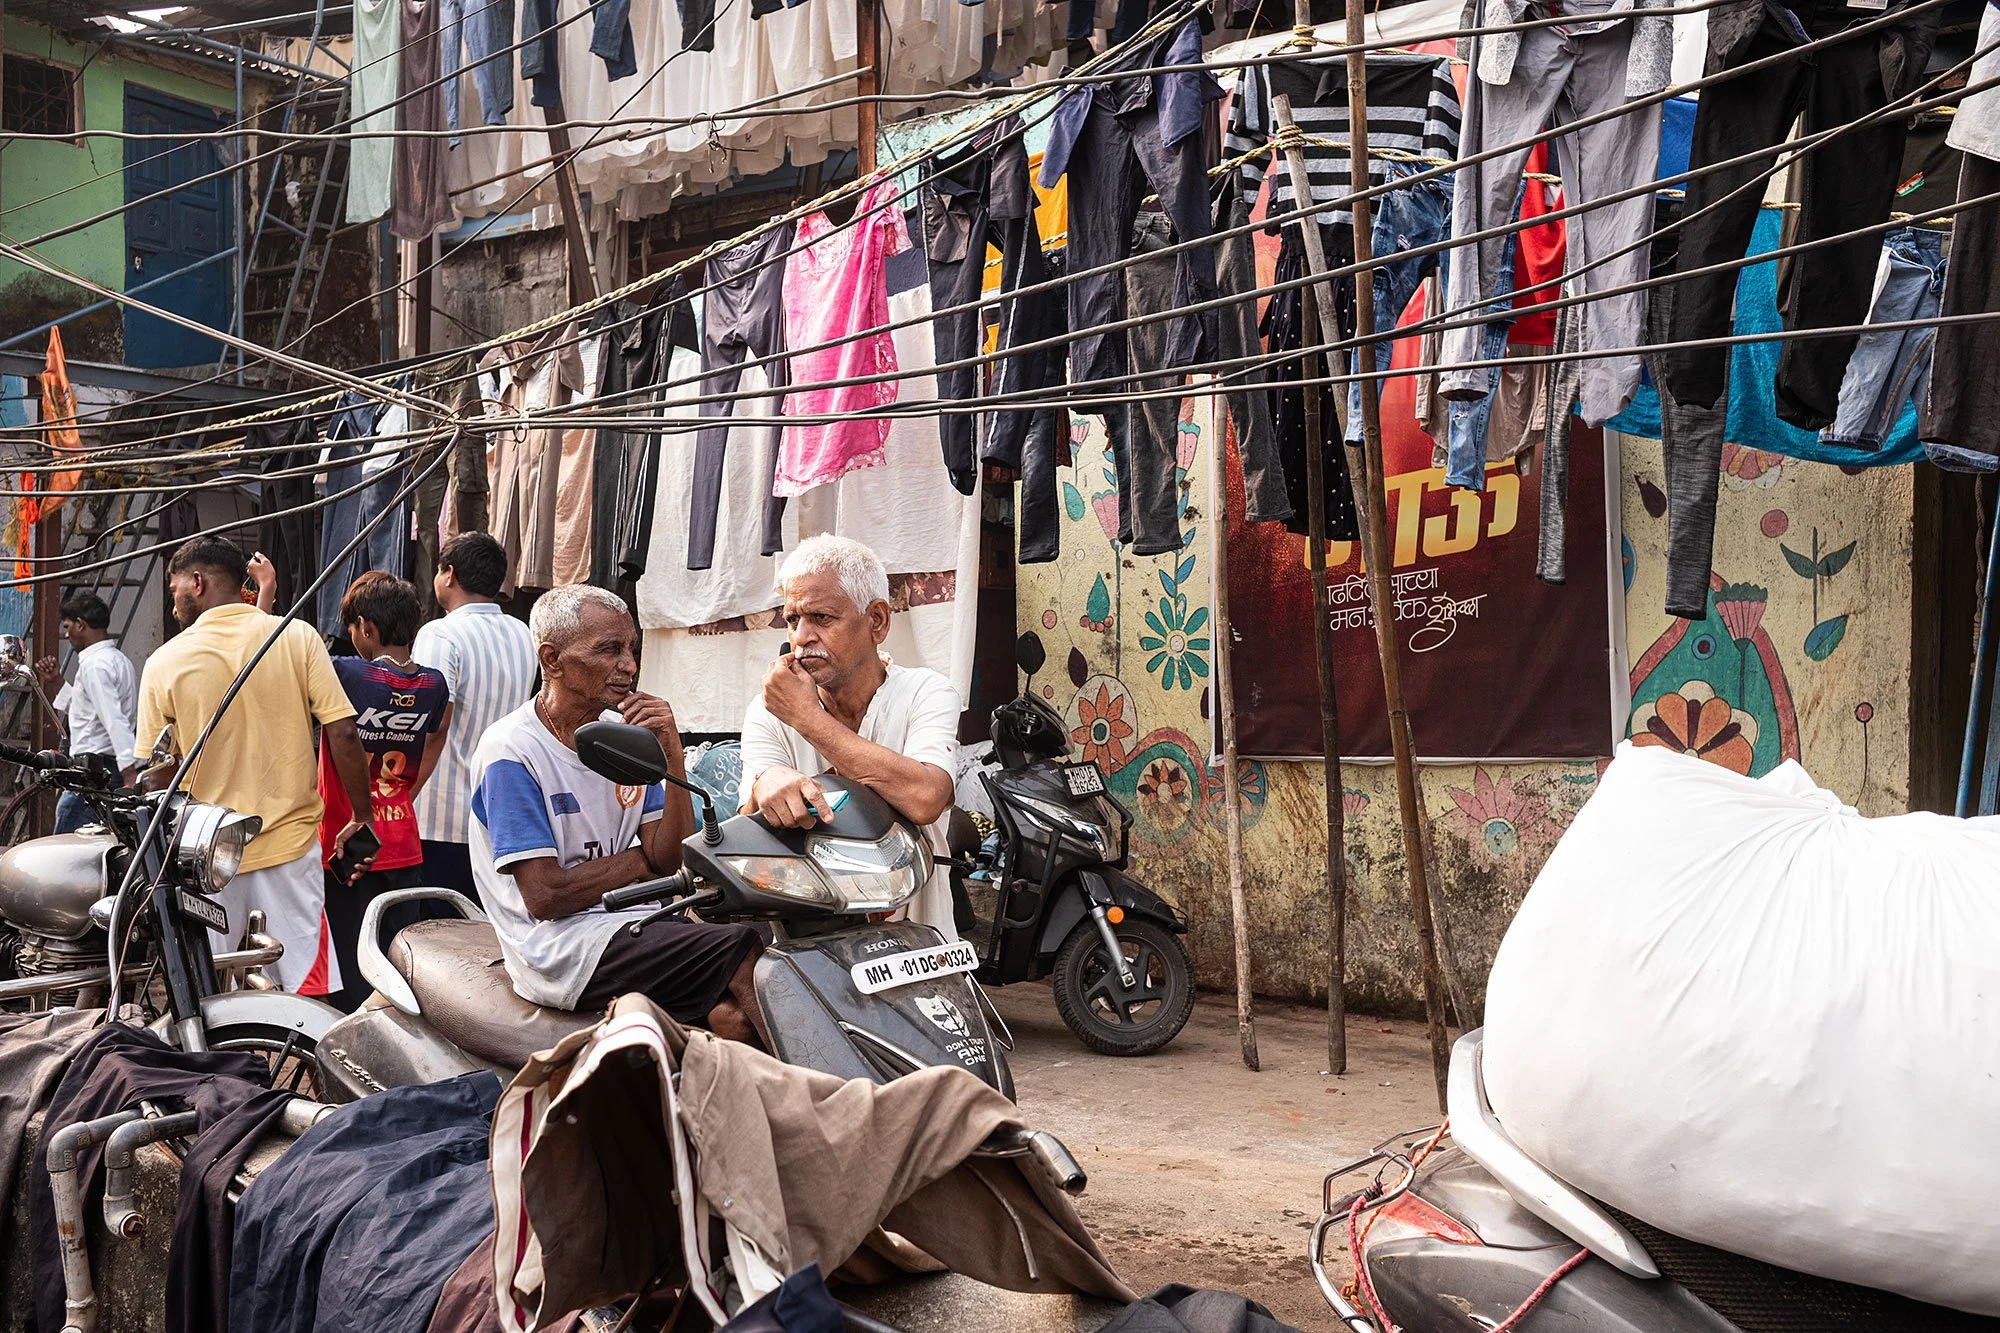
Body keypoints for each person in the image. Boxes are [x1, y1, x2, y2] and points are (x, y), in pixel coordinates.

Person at [469, 584, 764, 1041]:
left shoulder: (620, 739)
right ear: (552, 661)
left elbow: (668, 859)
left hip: (632, 923)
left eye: (631, 648)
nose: (628, 665)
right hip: (561, 947)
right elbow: (546, 896)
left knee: (735, 1014)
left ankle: (737, 1107)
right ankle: (834, 1105)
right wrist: (638, 863)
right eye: (609, 650)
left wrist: (671, 752)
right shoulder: (511, 751)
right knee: (743, 949)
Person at [136, 536, 377, 993]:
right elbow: (343, 732)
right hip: (289, 849)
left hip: (208, 857)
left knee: (215, 992)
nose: (173, 608)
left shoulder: (164, 662)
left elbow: (158, 773)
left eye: (173, 592)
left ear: (198, 582)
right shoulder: (296, 635)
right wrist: (361, 815)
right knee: (303, 989)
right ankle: (302, 1064)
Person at [739, 535, 961, 938]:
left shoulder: (925, 692)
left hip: (918, 940)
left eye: (821, 618)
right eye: (792, 620)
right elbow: (751, 816)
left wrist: (807, 718)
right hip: (807, 943)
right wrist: (766, 783)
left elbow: (927, 797)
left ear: (876, 620)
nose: (801, 637)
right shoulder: (767, 710)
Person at [310, 572, 451, 1011]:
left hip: (348, 843)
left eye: (353, 628)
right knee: (398, 963)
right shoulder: (433, 684)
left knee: (353, 967)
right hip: (403, 841)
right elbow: (438, 733)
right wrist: (406, 792)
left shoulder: (347, 674)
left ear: (366, 627)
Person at [412, 533, 537, 902]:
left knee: (436, 938)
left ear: (448, 575)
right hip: (500, 817)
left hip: (440, 817)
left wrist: (405, 796)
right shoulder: (524, 633)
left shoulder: (441, 634)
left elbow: (434, 724)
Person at [33, 590, 137, 834]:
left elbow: (114, 720)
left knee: (65, 851)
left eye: (68, 627)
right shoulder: (117, 660)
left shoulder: (95, 666)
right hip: (106, 769)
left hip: (92, 773)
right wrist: (57, 682)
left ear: (81, 625)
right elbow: (89, 713)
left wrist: (130, 771)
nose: (66, 634)